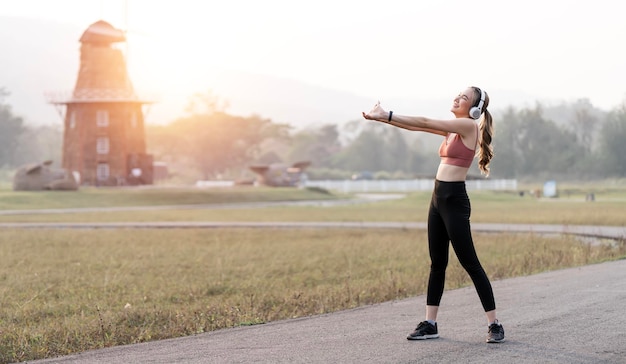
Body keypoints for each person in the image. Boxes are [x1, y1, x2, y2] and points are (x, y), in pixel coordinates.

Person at [361, 86, 505, 343]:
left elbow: (426, 121)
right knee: (437, 263)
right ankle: (430, 323)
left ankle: (494, 325)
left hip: (454, 201)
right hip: (437, 199)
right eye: (458, 94)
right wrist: (381, 118)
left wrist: (388, 113)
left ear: (474, 109)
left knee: (470, 263)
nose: (457, 98)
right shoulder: (453, 129)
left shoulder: (468, 126)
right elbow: (419, 126)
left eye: (464, 98)